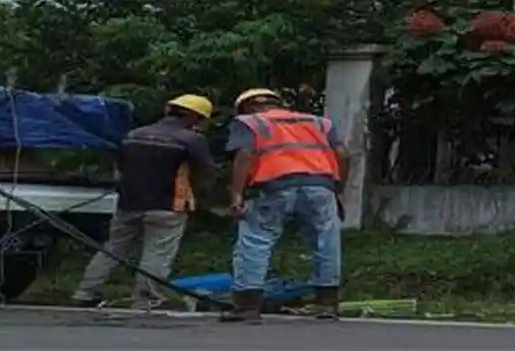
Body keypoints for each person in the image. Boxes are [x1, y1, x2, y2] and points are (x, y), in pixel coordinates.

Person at [71, 94, 215, 310]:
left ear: (168, 110)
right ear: (196, 118)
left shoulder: (133, 134)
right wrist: (201, 196)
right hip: (168, 205)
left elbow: (121, 165)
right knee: (157, 253)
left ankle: (85, 292)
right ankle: (147, 299)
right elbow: (206, 170)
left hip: (129, 202)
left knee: (113, 248)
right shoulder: (191, 139)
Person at [220, 88, 346, 323]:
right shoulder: (320, 122)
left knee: (256, 240)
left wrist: (236, 195)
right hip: (320, 185)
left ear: (246, 107)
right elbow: (342, 154)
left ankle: (248, 307)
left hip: (272, 186)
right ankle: (327, 304)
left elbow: (245, 156)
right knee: (326, 240)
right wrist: (338, 189)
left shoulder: (249, 122)